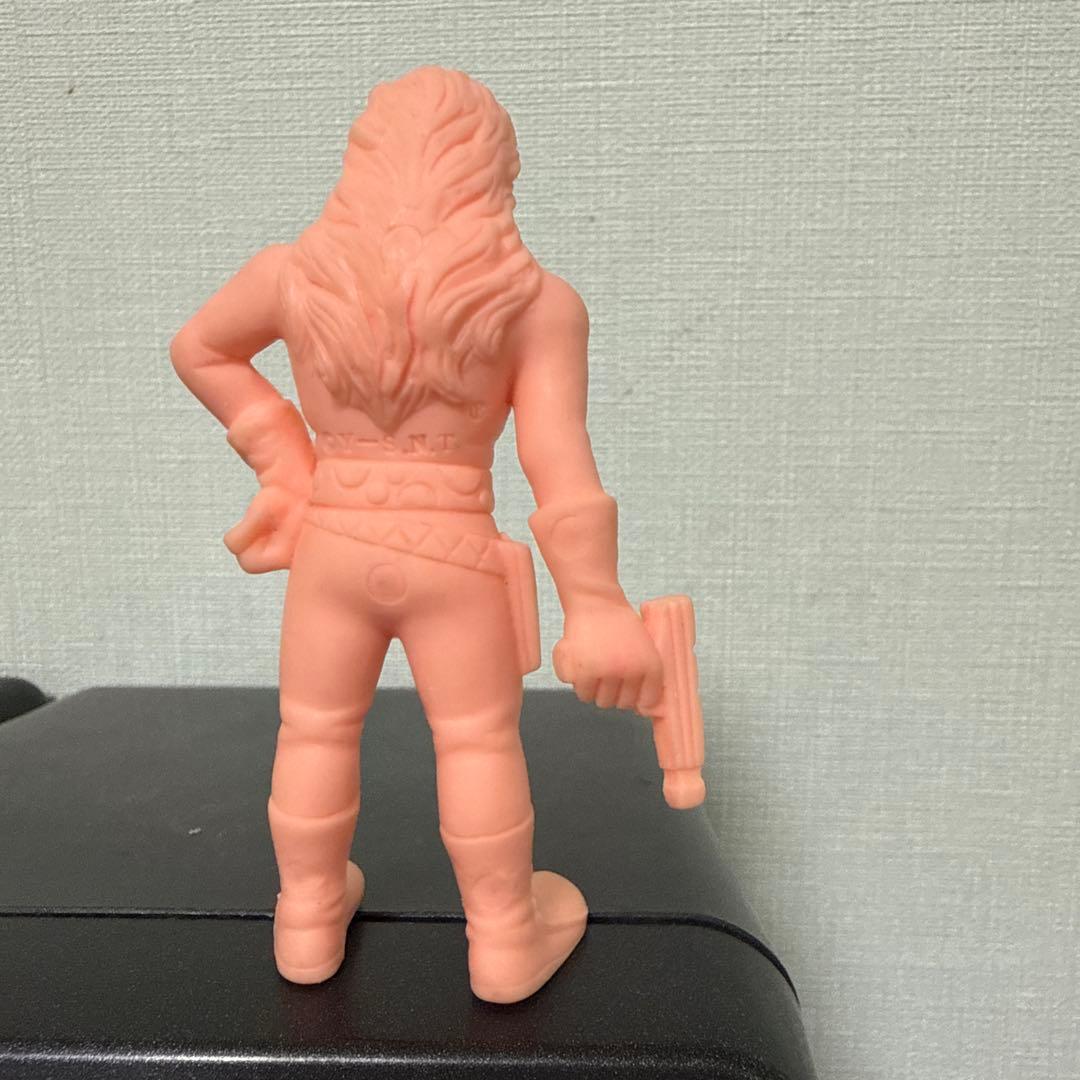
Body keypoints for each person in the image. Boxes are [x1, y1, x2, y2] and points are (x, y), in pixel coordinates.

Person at [171, 66, 662, 1004]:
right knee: (477, 743)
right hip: (454, 554)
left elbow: (200, 347)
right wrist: (597, 605)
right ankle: (504, 938)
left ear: (362, 161)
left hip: (334, 546)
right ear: (494, 176)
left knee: (314, 731)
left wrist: (286, 461)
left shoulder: (292, 273)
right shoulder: (537, 302)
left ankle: (306, 918)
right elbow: (560, 465)